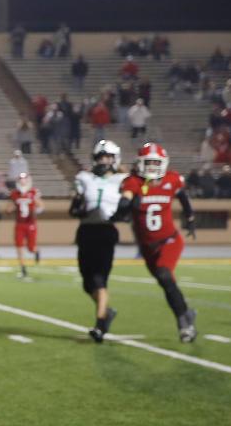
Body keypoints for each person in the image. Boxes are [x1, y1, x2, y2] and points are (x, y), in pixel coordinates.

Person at [116, 143, 198, 342]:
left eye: (156, 162)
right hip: (147, 247)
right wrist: (126, 205)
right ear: (141, 163)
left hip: (169, 240)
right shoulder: (133, 182)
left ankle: (184, 326)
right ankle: (186, 312)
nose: (152, 166)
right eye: (149, 162)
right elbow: (124, 203)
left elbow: (183, 197)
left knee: (164, 276)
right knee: (166, 283)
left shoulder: (172, 179)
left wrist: (190, 218)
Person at [69, 140, 127, 343]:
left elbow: (131, 202)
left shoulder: (123, 180)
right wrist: (78, 206)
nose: (103, 161)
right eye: (100, 157)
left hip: (105, 231)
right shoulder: (85, 178)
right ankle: (107, 311)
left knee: (99, 279)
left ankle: (100, 323)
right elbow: (75, 206)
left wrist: (124, 213)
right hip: (86, 231)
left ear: (114, 159)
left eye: (107, 157)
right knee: (87, 283)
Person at [10, 173, 43, 277]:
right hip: (19, 223)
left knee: (31, 248)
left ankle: (36, 251)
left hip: (30, 224)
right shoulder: (15, 193)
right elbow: (10, 207)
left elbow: (41, 206)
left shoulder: (33, 192)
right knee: (19, 246)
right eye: (21, 179)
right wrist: (9, 209)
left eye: (24, 179)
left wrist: (35, 213)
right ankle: (23, 268)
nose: (22, 181)